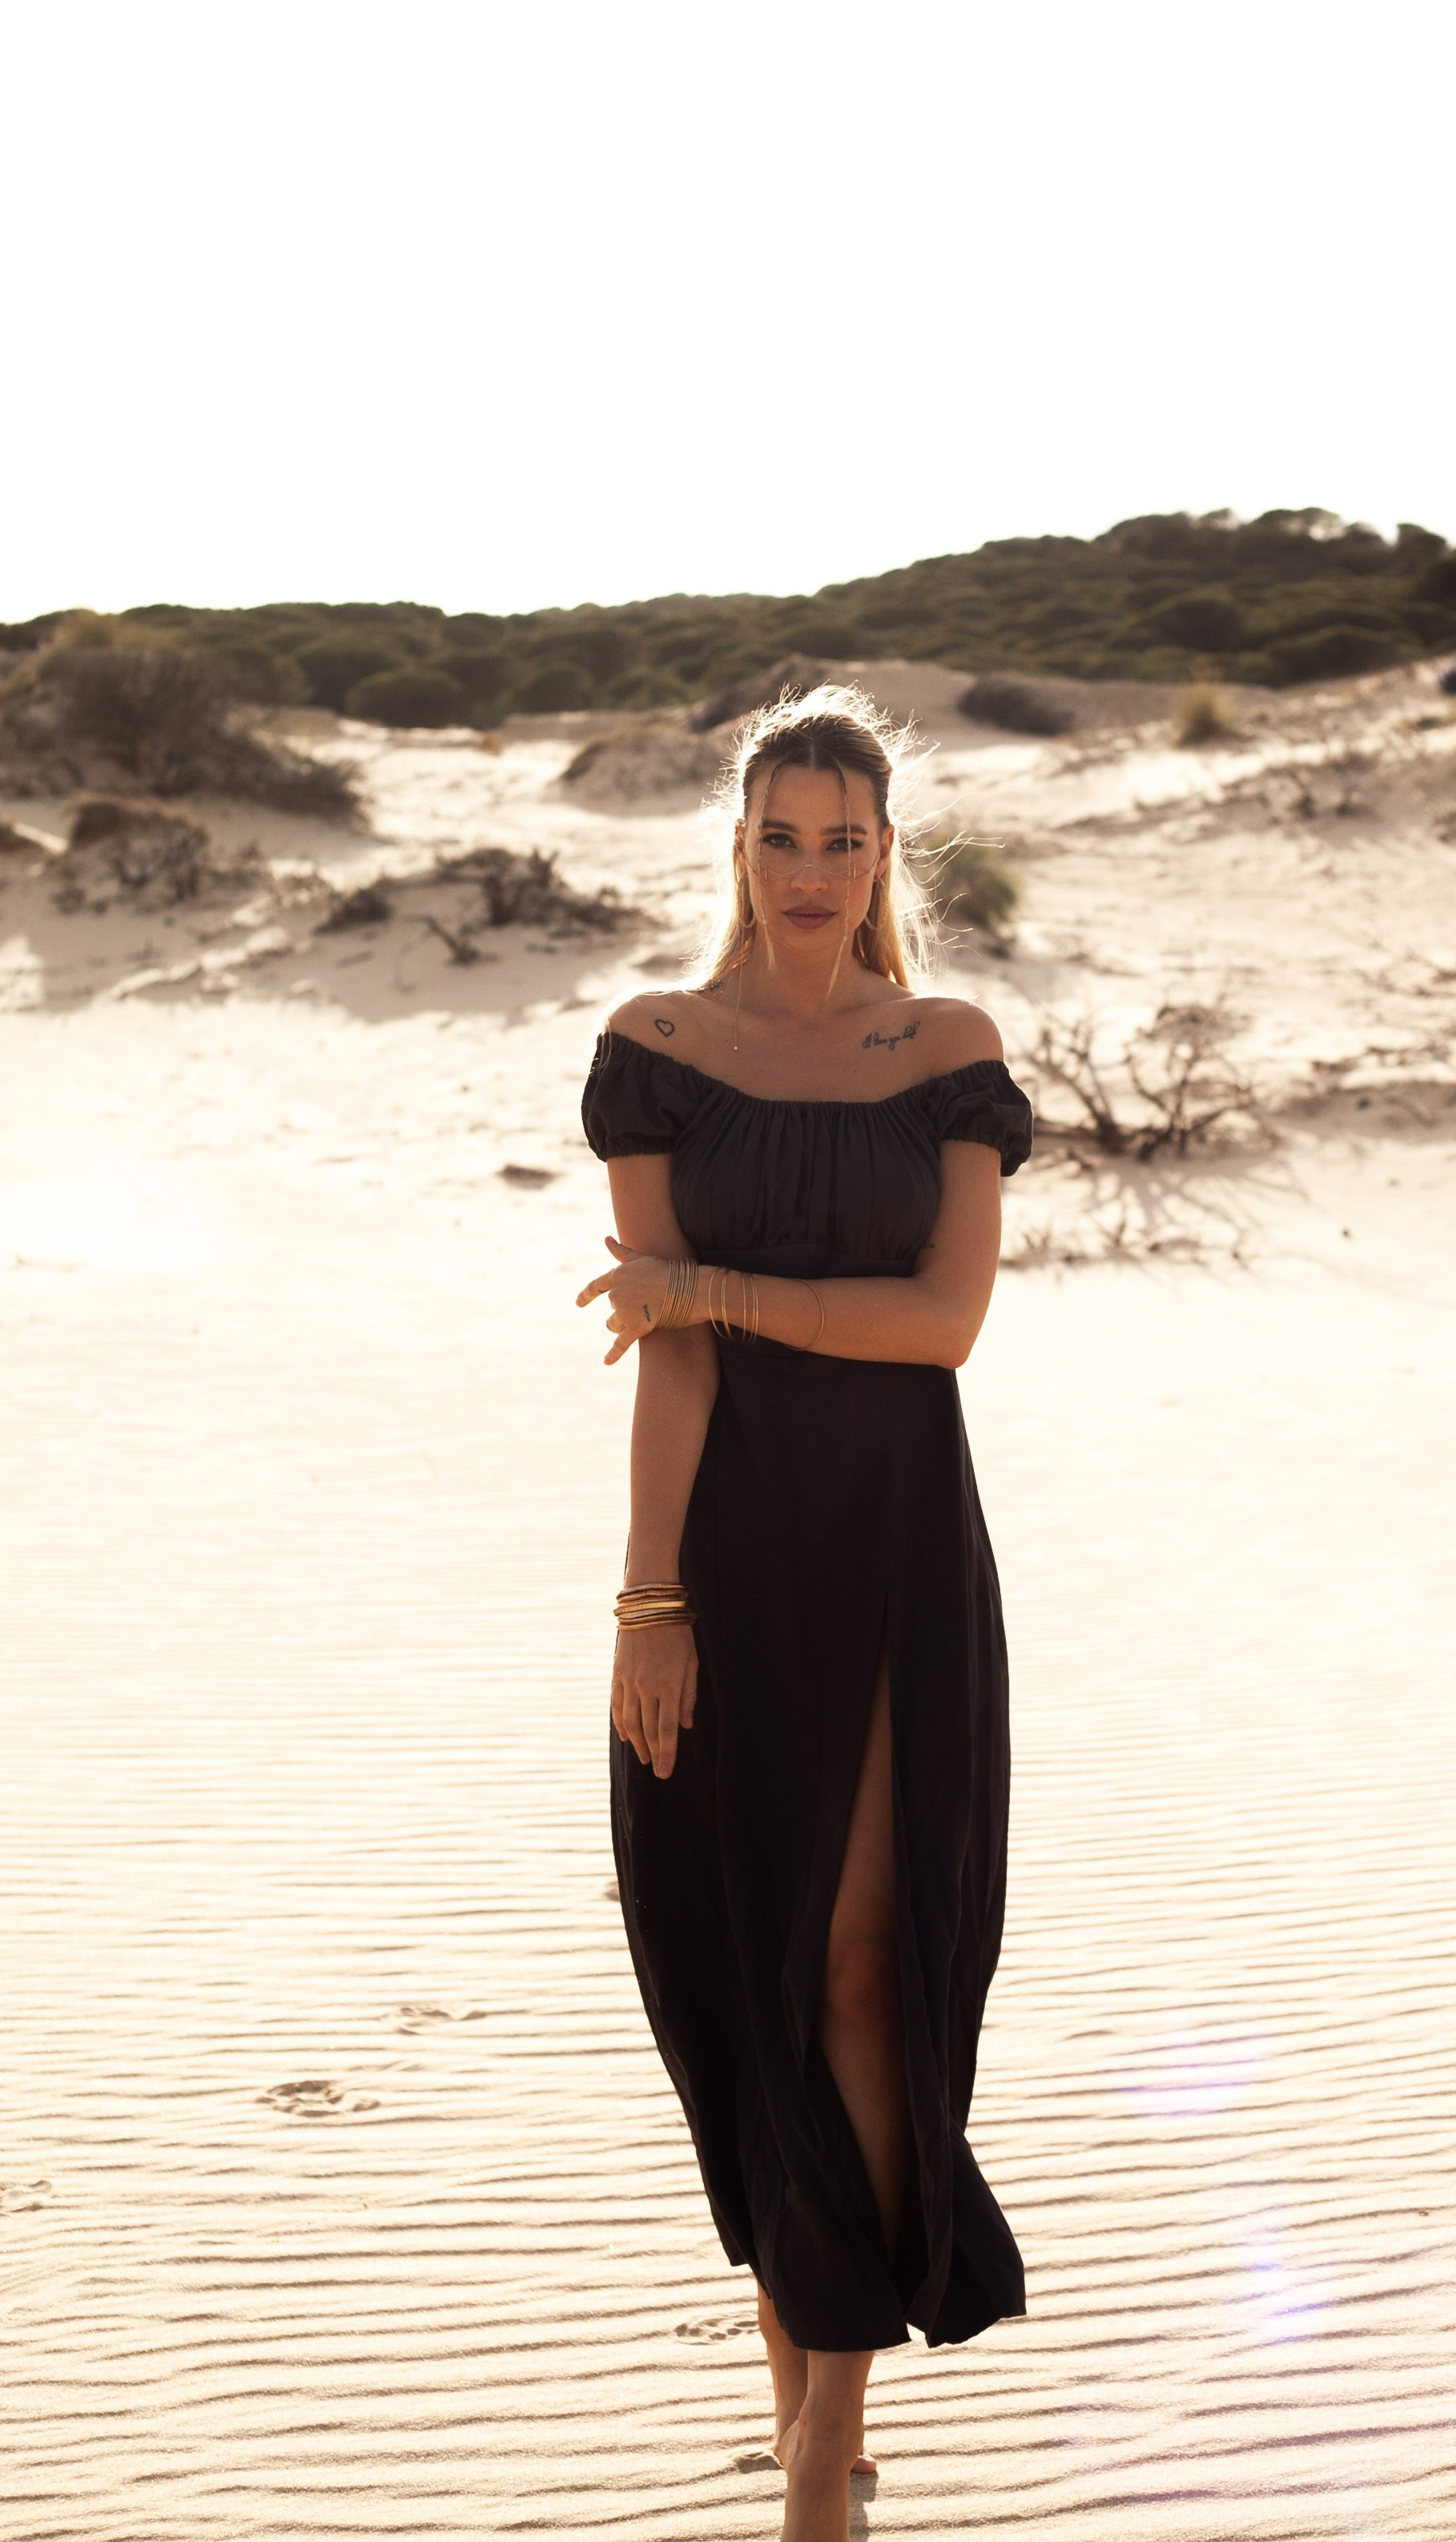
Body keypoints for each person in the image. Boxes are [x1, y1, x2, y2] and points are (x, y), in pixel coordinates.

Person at [576, 689, 1031, 2542]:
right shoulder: (655, 1049)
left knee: (862, 1966)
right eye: (782, 838)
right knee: (742, 1984)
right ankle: (813, 2428)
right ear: (736, 847)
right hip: (728, 1559)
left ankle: (818, 2469)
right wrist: (647, 1601)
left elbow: (941, 1327)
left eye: (848, 840)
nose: (814, 874)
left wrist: (706, 1283)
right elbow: (662, 1360)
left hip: (903, 1548)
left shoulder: (947, 1049)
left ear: (886, 854)